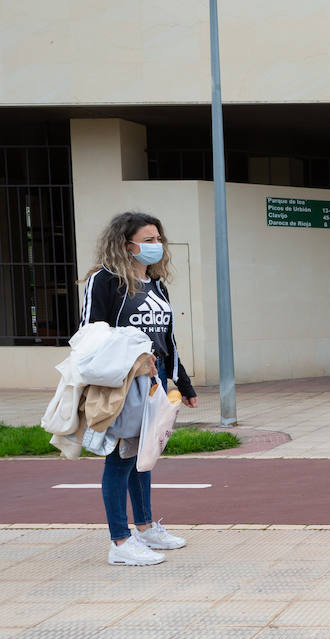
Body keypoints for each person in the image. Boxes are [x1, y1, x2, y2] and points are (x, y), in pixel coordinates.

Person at [80, 212, 198, 566]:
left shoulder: (157, 284)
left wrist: (183, 382)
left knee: (144, 457)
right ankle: (119, 541)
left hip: (155, 380)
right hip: (123, 382)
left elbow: (168, 339)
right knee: (119, 459)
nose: (155, 245)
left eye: (158, 238)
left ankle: (145, 527)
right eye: (147, 240)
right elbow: (90, 335)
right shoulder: (105, 281)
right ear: (125, 243)